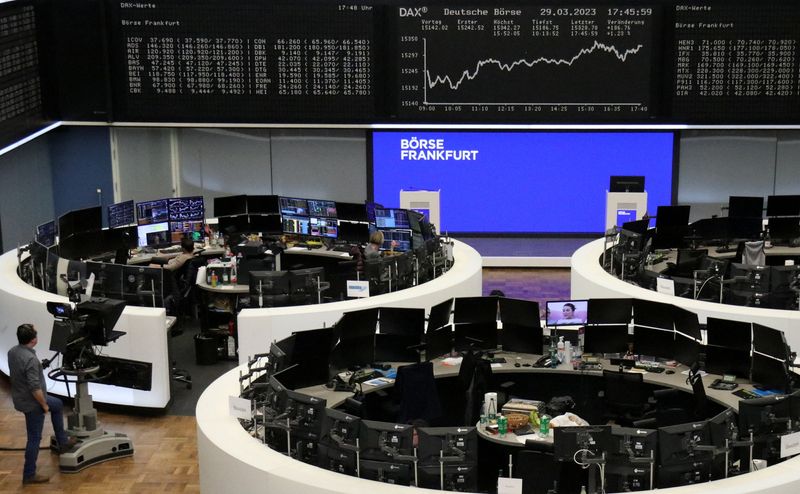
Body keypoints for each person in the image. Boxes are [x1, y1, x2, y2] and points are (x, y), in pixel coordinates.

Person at [8, 324, 77, 484]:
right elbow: (34, 388)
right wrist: (44, 405)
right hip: (33, 402)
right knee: (34, 438)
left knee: (58, 404)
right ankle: (29, 474)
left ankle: (63, 442)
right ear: (34, 340)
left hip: (20, 397)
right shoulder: (31, 359)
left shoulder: (13, 351)